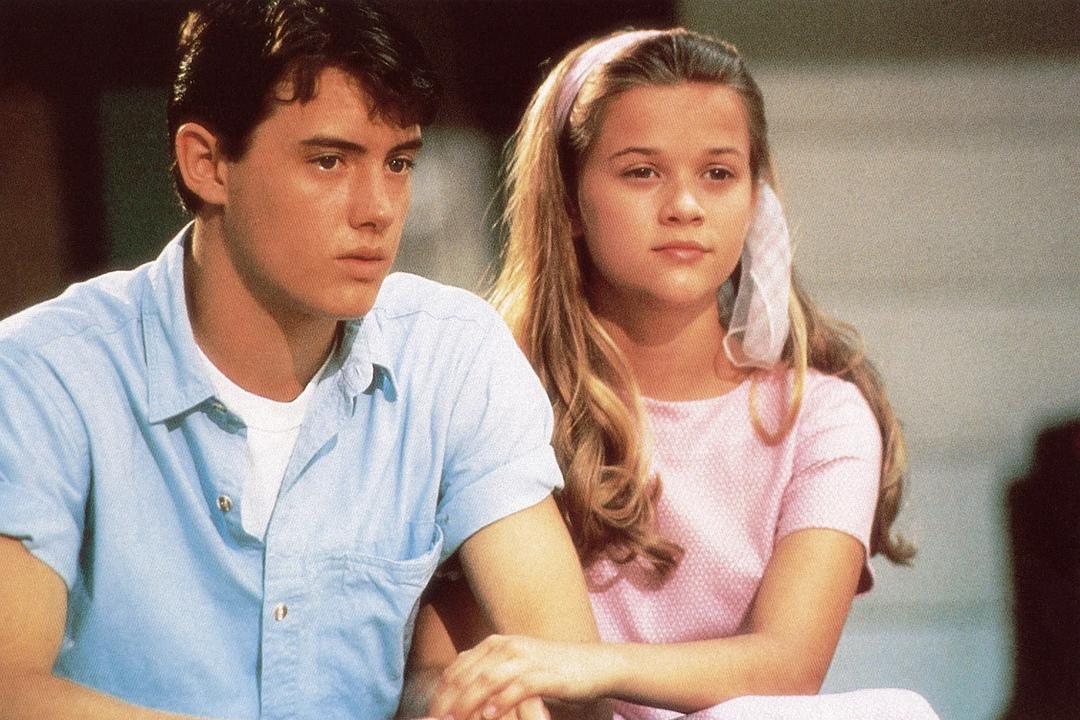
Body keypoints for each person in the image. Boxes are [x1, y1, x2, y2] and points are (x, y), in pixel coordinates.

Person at [0, 2, 608, 719]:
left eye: (399, 163)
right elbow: (10, 686)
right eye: (329, 161)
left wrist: (455, 700)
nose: (379, 209)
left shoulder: (452, 357)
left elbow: (565, 675)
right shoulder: (45, 375)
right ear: (206, 164)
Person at [408, 28, 938, 720]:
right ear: (568, 201)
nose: (685, 205)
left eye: (718, 174)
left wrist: (587, 665)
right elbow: (437, 663)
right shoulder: (500, 398)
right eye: (641, 172)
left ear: (756, 200)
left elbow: (789, 665)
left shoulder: (820, 414)